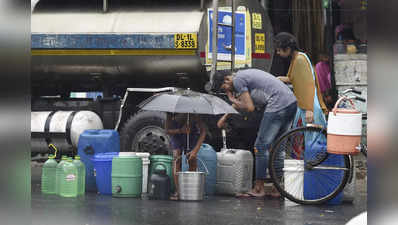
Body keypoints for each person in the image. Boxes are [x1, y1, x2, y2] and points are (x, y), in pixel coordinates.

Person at [217, 69, 297, 198]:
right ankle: (278, 189)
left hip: (277, 104)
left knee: (260, 146)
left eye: (224, 87)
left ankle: (259, 188)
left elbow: (249, 107)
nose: (227, 90)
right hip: (291, 102)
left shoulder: (238, 80)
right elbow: (248, 102)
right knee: (278, 148)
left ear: (227, 79)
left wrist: (232, 99)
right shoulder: (244, 75)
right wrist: (227, 114)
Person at [274, 32, 327, 128]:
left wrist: (309, 110)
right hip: (305, 106)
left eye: (279, 50)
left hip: (309, 107)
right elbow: (293, 78)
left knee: (312, 140)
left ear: (288, 49)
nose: (278, 53)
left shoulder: (299, 60)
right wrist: (278, 79)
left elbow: (308, 85)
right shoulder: (297, 57)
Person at [165, 113, 206, 200]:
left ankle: (191, 190)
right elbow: (167, 130)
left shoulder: (195, 110)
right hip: (176, 133)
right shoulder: (171, 110)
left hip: (191, 134)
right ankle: (179, 191)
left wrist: (195, 151)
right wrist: (180, 130)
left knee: (192, 159)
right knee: (177, 158)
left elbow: (203, 131)